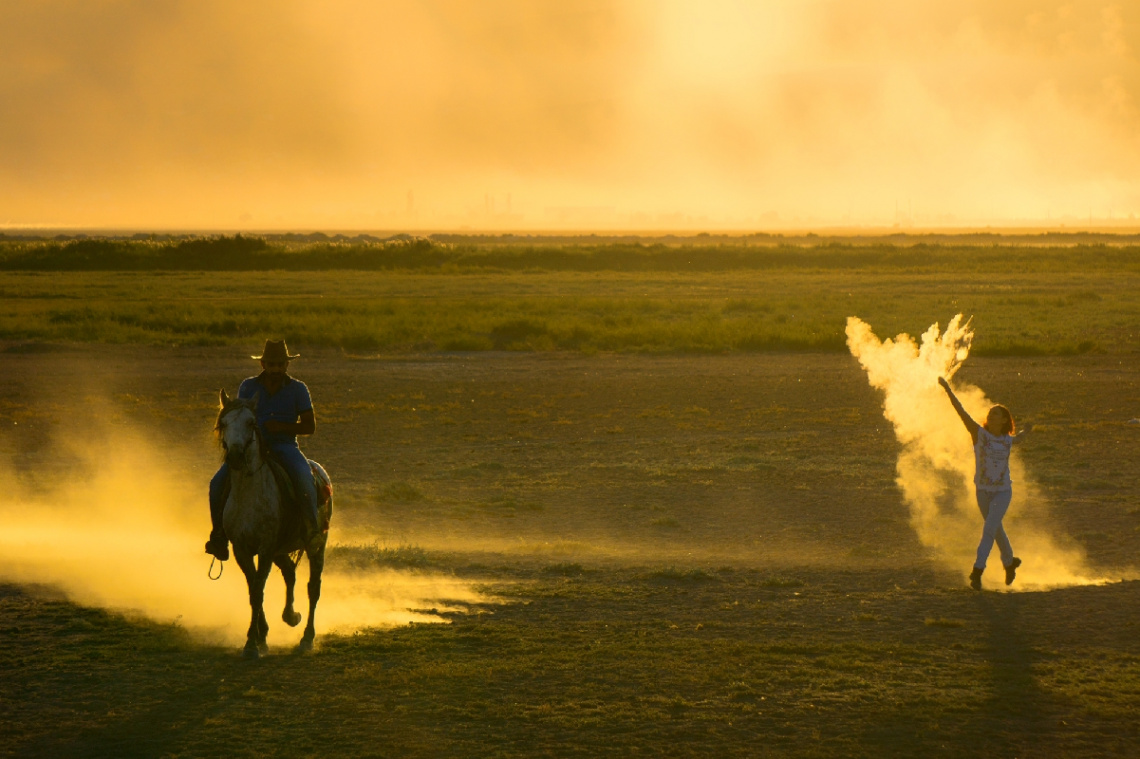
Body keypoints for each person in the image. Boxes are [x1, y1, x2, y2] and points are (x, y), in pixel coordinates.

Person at [205, 339, 319, 561]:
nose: (276, 368)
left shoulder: (298, 389)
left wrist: (283, 427)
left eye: (280, 364)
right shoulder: (248, 386)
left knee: (304, 477)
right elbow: (239, 418)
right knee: (217, 483)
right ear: (263, 364)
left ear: (287, 365)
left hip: (284, 445)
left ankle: (311, 531)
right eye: (271, 364)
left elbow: (309, 426)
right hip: (252, 446)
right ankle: (219, 535)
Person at [938, 376, 1032, 590]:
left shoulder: (1007, 440)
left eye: (996, 413)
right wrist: (947, 389)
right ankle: (1009, 562)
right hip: (982, 492)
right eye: (990, 413)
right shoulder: (978, 434)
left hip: (1002, 492)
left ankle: (977, 571)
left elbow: (1019, 438)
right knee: (995, 528)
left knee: (989, 529)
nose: (990, 414)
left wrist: (1028, 431)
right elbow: (960, 410)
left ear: (1004, 421)